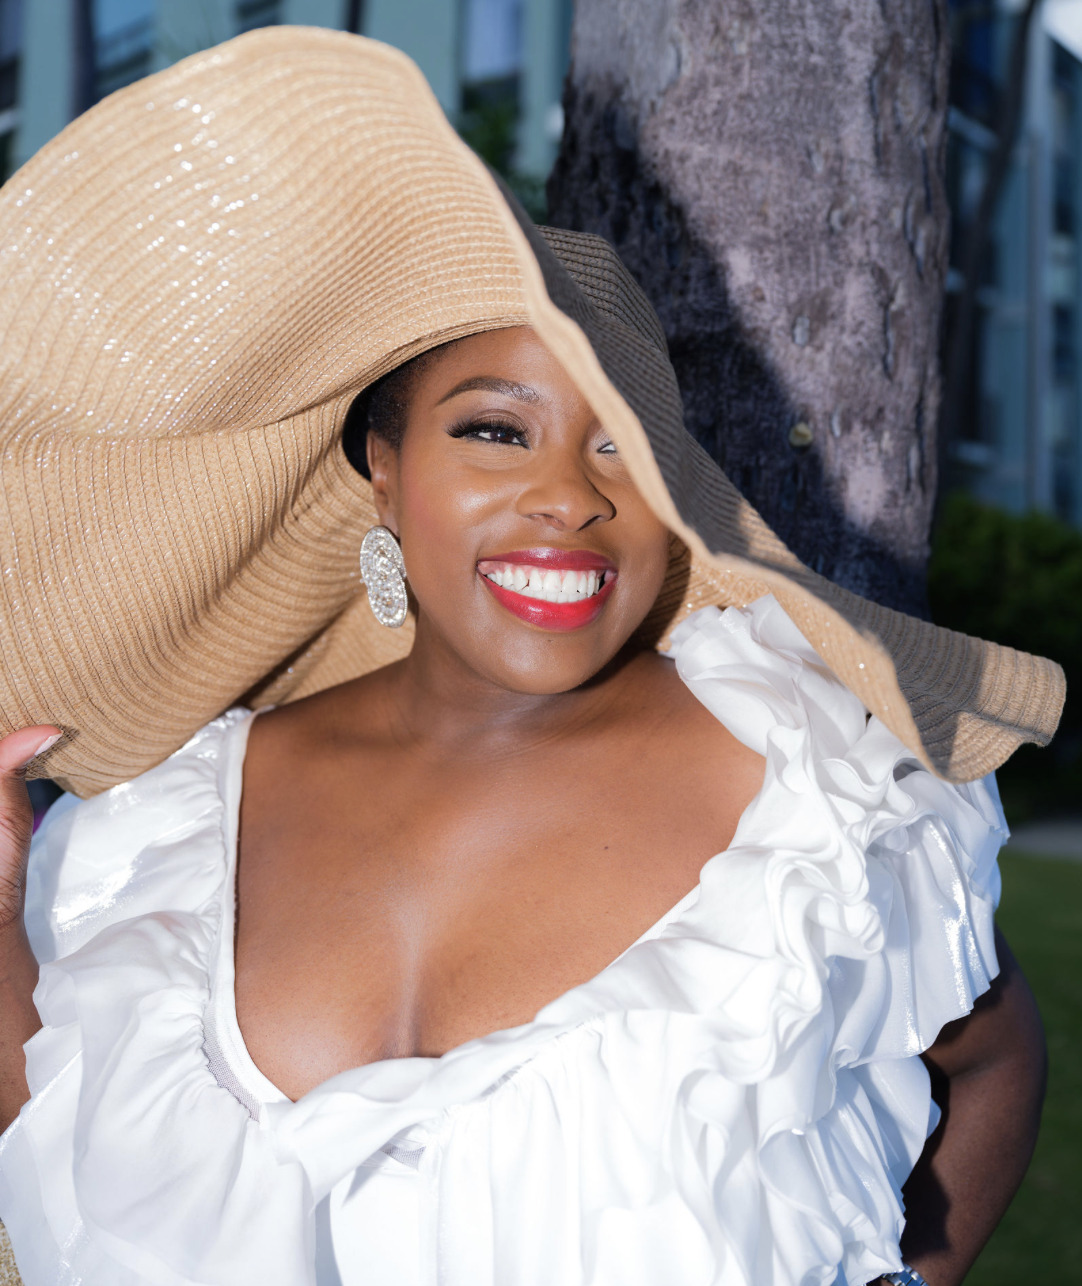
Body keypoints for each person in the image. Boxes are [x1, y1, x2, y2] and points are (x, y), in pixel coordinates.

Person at [0, 27, 1060, 1286]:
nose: (567, 497)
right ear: (382, 473)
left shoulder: (811, 790)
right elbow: (65, 1158)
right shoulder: (163, 825)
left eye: (619, 446)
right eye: (496, 430)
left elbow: (989, 1053)